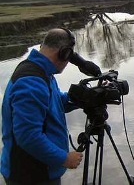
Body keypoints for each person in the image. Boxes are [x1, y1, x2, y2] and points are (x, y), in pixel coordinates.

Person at [1, 28, 83, 184]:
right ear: (64, 53)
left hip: (40, 169)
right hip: (30, 174)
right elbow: (27, 135)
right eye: (69, 56)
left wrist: (81, 98)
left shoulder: (42, 71)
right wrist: (64, 158)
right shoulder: (31, 82)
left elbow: (52, 102)